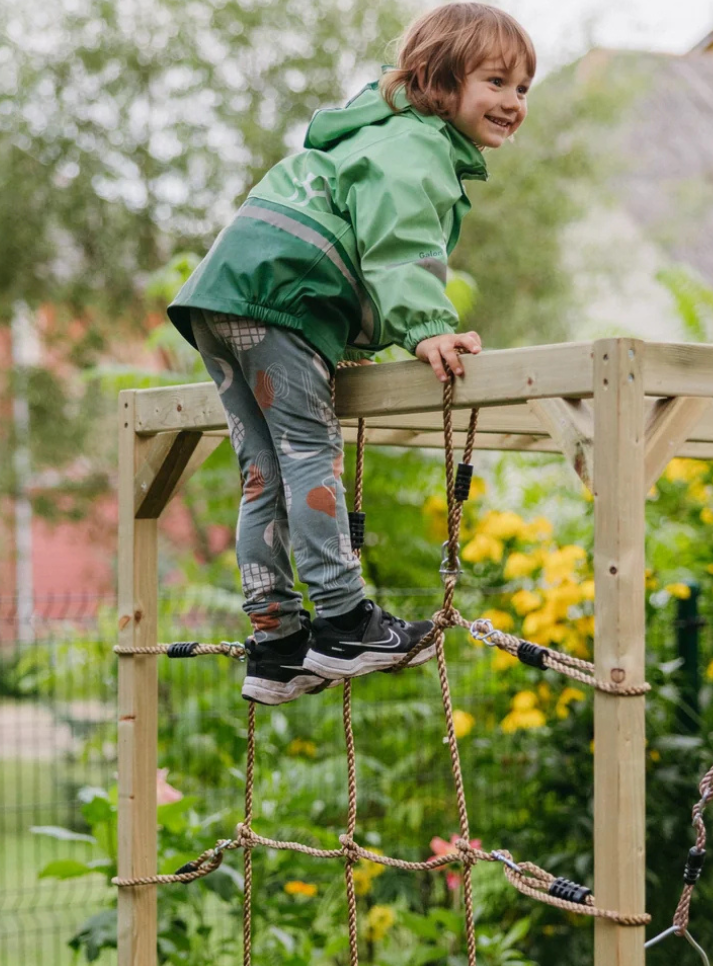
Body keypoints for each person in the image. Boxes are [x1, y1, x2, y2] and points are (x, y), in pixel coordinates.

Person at [167, 2, 535, 705]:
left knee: (263, 472)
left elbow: (352, 236)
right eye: (495, 82)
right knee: (309, 452)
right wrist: (426, 325)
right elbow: (395, 238)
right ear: (438, 79)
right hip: (281, 294)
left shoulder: (366, 136)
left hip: (226, 295)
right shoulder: (414, 143)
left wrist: (342, 341)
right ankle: (343, 620)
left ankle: (275, 643)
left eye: (522, 88)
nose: (513, 102)